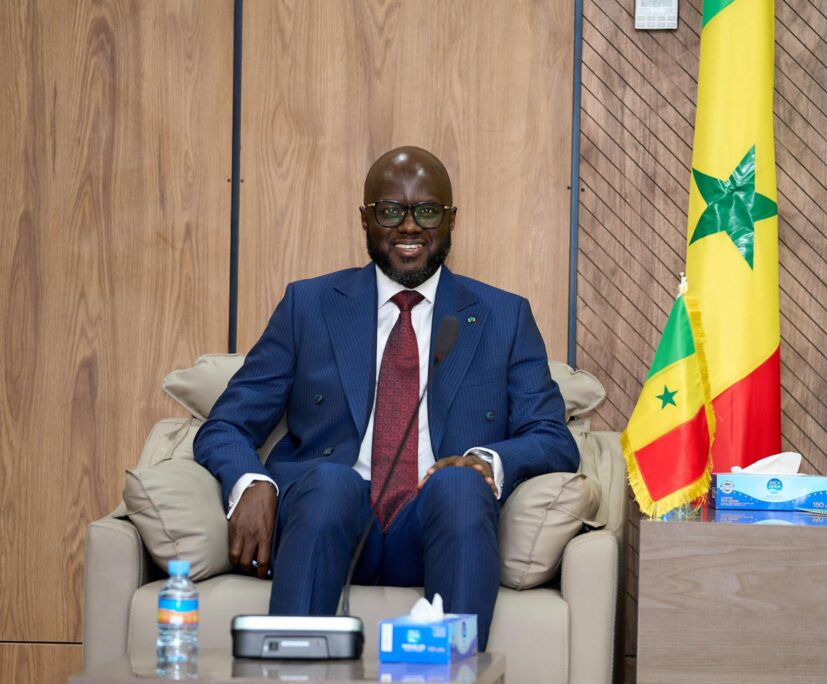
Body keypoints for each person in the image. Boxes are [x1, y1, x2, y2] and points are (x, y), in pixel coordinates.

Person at [193, 146, 579, 649]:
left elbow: (552, 438)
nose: (409, 226)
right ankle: (290, 673)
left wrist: (485, 461)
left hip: (435, 524)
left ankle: (452, 672)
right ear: (365, 219)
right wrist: (250, 481)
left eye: (427, 211)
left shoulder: (503, 317)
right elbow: (226, 425)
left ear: (452, 219)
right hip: (331, 518)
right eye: (391, 210)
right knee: (330, 483)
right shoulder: (308, 306)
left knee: (461, 486)